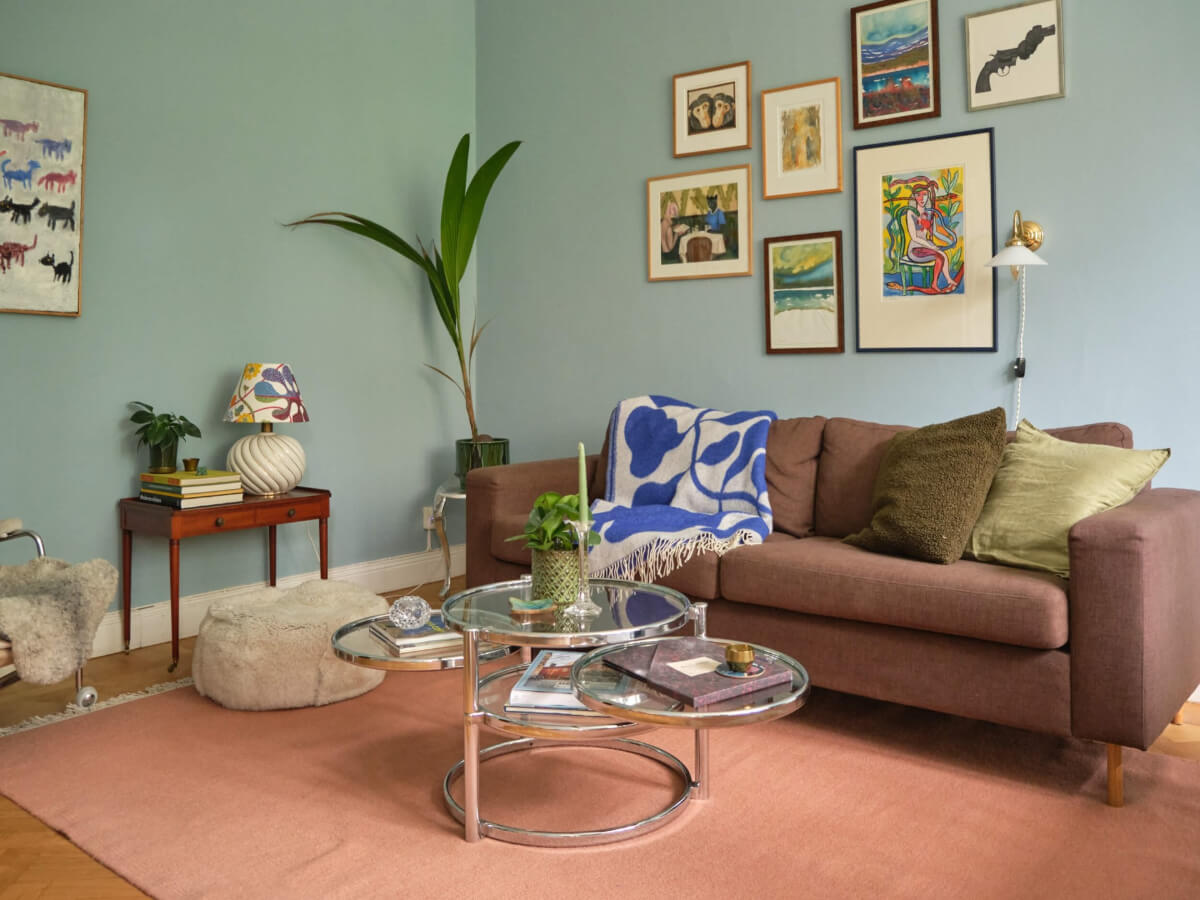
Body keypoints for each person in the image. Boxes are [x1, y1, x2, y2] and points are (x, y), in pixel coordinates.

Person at [902, 180, 958, 292]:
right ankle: (934, 285)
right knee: (939, 256)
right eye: (918, 195)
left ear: (928, 196)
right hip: (915, 249)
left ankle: (948, 280)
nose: (922, 198)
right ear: (914, 197)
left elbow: (935, 232)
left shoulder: (929, 213)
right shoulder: (910, 213)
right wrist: (930, 246)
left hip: (927, 246)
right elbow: (914, 237)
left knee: (943, 254)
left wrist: (950, 241)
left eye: (924, 195)